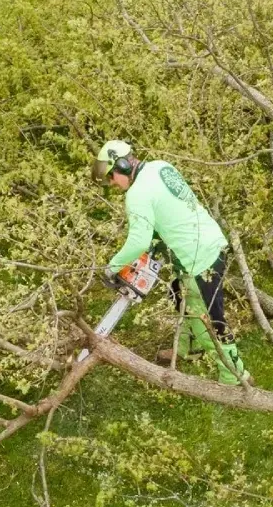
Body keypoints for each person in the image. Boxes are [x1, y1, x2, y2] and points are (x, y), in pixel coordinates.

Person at [93, 140, 249, 385]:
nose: (113, 185)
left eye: (112, 178)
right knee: (178, 294)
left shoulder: (136, 194)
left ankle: (235, 375)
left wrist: (112, 268)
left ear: (121, 166)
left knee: (208, 319)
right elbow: (171, 207)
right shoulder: (160, 167)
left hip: (198, 261)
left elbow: (137, 242)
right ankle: (190, 349)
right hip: (213, 242)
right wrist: (159, 240)